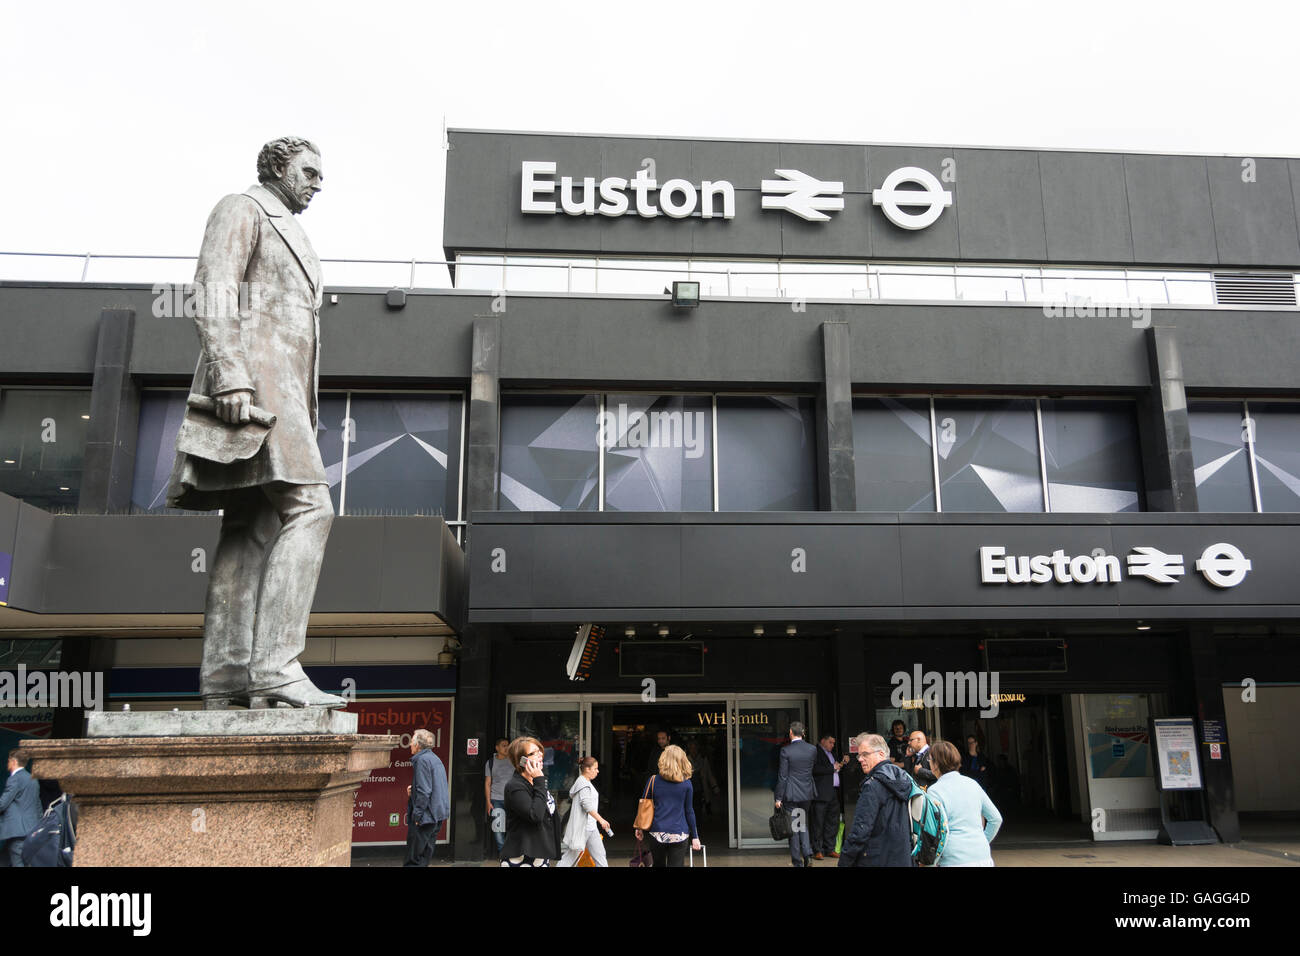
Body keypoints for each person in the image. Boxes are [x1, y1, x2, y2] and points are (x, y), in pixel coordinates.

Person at [169, 136, 341, 709]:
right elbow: (213, 288)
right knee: (313, 507)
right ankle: (275, 665)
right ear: (277, 167)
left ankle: (227, 678)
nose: (319, 182)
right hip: (259, 385)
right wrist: (229, 373)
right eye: (310, 171)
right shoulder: (242, 207)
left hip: (285, 393)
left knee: (250, 528)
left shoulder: (291, 228)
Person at [838, 734, 913, 868]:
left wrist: (844, 861)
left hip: (876, 859)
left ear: (881, 754)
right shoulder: (903, 778)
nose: (860, 759)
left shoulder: (873, 785)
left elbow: (860, 832)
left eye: (865, 754)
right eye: (859, 755)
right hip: (902, 857)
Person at [929, 740, 1002, 867]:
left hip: (953, 859)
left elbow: (934, 831)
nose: (929, 763)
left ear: (936, 764)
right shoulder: (973, 784)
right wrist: (983, 841)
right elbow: (996, 819)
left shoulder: (934, 791)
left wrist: (931, 862)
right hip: (982, 856)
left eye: (930, 760)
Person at [636, 744, 701, 867]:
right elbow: (689, 811)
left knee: (658, 864)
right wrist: (695, 836)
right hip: (679, 833)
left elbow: (644, 806)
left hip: (657, 832)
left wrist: (639, 828)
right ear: (682, 760)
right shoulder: (687, 783)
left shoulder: (653, 780)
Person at [500, 736, 561, 866]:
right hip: (522, 856)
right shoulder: (515, 786)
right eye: (533, 753)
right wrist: (539, 780)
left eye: (540, 750)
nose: (539, 755)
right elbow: (535, 815)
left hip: (539, 852)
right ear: (521, 760)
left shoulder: (534, 782)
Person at [772, 720, 817, 866]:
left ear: (791, 733)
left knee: (794, 829)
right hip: (807, 793)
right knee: (802, 823)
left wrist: (778, 797)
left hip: (791, 794)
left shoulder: (786, 751)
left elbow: (783, 776)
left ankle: (797, 860)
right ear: (803, 733)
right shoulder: (812, 749)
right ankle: (808, 854)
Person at [403, 729, 450, 867]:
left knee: (413, 860)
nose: (410, 744)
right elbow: (435, 787)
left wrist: (417, 816)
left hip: (425, 817)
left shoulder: (422, 760)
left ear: (418, 745)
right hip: (436, 815)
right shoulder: (434, 758)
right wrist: (414, 792)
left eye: (411, 741)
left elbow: (425, 791)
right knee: (424, 859)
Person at [559, 756, 612, 867]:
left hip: (591, 828)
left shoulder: (584, 782)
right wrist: (601, 820)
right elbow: (587, 805)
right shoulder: (584, 785)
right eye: (595, 768)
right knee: (570, 858)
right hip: (585, 828)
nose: (597, 771)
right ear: (587, 769)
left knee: (600, 856)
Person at [0, 750, 41, 867]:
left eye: (8, 760)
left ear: (13, 762)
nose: (7, 763)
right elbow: (37, 805)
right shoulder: (33, 779)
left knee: (18, 862)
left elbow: (3, 803)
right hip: (30, 829)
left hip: (17, 831)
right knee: (6, 860)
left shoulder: (15, 779)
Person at [810, 732, 848, 860]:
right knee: (818, 822)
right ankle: (817, 850)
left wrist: (842, 763)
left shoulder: (831, 753)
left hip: (833, 791)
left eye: (833, 743)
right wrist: (832, 768)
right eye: (830, 742)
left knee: (833, 821)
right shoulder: (815, 752)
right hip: (821, 793)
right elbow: (814, 769)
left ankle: (829, 848)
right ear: (823, 741)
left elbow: (835, 767)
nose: (832, 745)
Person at [483, 737, 513, 853]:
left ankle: (511, 853)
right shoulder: (490, 762)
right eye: (503, 745)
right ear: (497, 748)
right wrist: (488, 802)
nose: (506, 748)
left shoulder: (514, 760)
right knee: (498, 829)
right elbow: (487, 783)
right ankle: (503, 854)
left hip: (512, 800)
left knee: (512, 828)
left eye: (508, 745)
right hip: (496, 800)